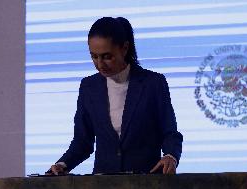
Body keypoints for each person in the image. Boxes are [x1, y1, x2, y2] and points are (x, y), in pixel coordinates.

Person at [47, 17, 183, 175]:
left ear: (124, 48)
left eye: (107, 56)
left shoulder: (153, 83)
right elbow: (82, 142)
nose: (100, 64)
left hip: (146, 181)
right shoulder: (88, 87)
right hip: (102, 183)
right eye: (94, 56)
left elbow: (170, 132)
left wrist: (170, 156)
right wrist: (63, 164)